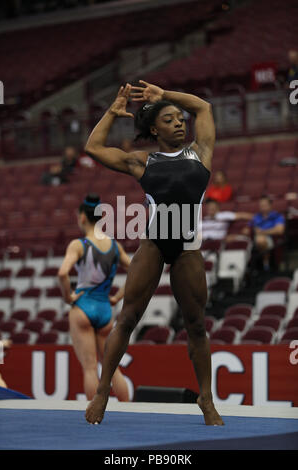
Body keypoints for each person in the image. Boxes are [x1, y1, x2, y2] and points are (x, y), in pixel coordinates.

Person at [83, 81, 224, 426]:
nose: (180, 122)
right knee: (128, 317)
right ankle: (102, 392)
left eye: (180, 118)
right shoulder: (141, 162)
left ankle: (206, 400)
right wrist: (112, 113)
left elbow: (203, 106)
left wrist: (165, 96)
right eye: (170, 119)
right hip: (155, 243)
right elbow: (94, 147)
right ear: (153, 129)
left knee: (196, 326)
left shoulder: (200, 151)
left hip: (188, 246)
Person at [58, 193, 130, 402]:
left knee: (90, 368)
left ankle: (93, 415)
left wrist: (67, 297)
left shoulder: (78, 244)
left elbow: (63, 273)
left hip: (83, 307)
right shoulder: (115, 246)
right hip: (105, 310)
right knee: (113, 369)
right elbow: (136, 271)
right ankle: (129, 409)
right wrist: (117, 297)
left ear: (82, 217)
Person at [242, 195, 285, 270]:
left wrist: (262, 232)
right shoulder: (256, 216)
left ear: (270, 205)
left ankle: (266, 264)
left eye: (265, 205)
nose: (263, 207)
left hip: (270, 238)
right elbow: (247, 229)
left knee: (260, 240)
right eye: (261, 205)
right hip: (253, 238)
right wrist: (247, 230)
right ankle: (245, 267)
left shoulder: (277, 216)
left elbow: (279, 230)